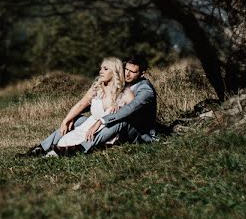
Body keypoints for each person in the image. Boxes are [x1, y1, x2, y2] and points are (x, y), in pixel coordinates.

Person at [23, 55, 158, 157]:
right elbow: (84, 103)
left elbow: (130, 109)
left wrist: (102, 120)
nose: (127, 74)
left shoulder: (145, 90)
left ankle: (79, 149)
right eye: (126, 69)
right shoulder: (115, 83)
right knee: (76, 120)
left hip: (134, 130)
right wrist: (67, 119)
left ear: (142, 73)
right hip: (107, 120)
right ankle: (41, 148)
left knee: (118, 120)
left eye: (132, 72)